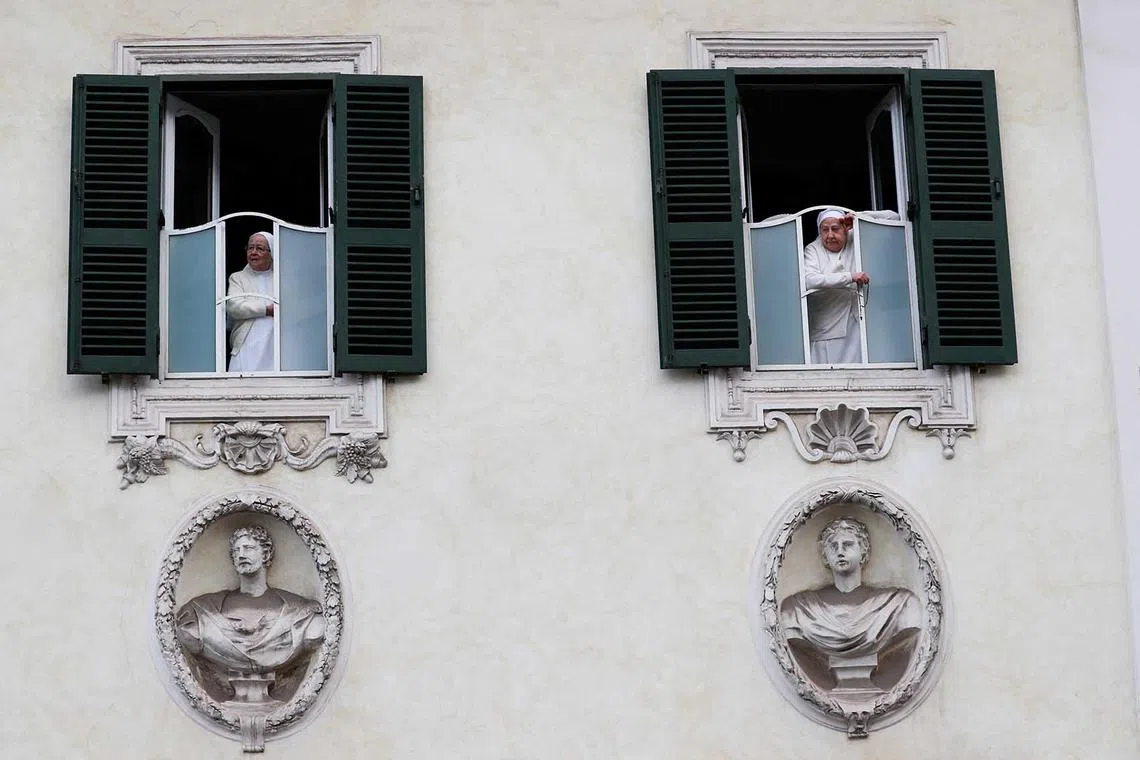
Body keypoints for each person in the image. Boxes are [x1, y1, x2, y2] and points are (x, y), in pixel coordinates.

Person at [175, 525, 325, 704]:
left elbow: (314, 635)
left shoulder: (300, 614)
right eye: (236, 550)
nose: (241, 554)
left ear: (266, 555)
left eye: (249, 548)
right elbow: (188, 633)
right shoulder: (199, 613)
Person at [779, 518, 921, 691]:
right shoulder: (797, 610)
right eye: (833, 546)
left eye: (848, 545)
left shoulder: (901, 605)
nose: (840, 551)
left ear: (863, 551)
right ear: (825, 556)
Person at [803, 208, 899, 364]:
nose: (830, 235)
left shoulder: (856, 236)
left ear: (845, 228)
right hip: (827, 326)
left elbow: (895, 218)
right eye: (824, 230)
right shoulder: (813, 249)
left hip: (856, 324)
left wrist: (859, 217)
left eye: (835, 229)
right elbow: (810, 280)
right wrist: (850, 277)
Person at [226, 232, 277, 372]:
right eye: (250, 248)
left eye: (259, 248)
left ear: (271, 253)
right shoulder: (238, 278)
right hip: (247, 346)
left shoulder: (281, 277)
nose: (253, 252)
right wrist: (266, 310)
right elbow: (234, 307)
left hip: (276, 348)